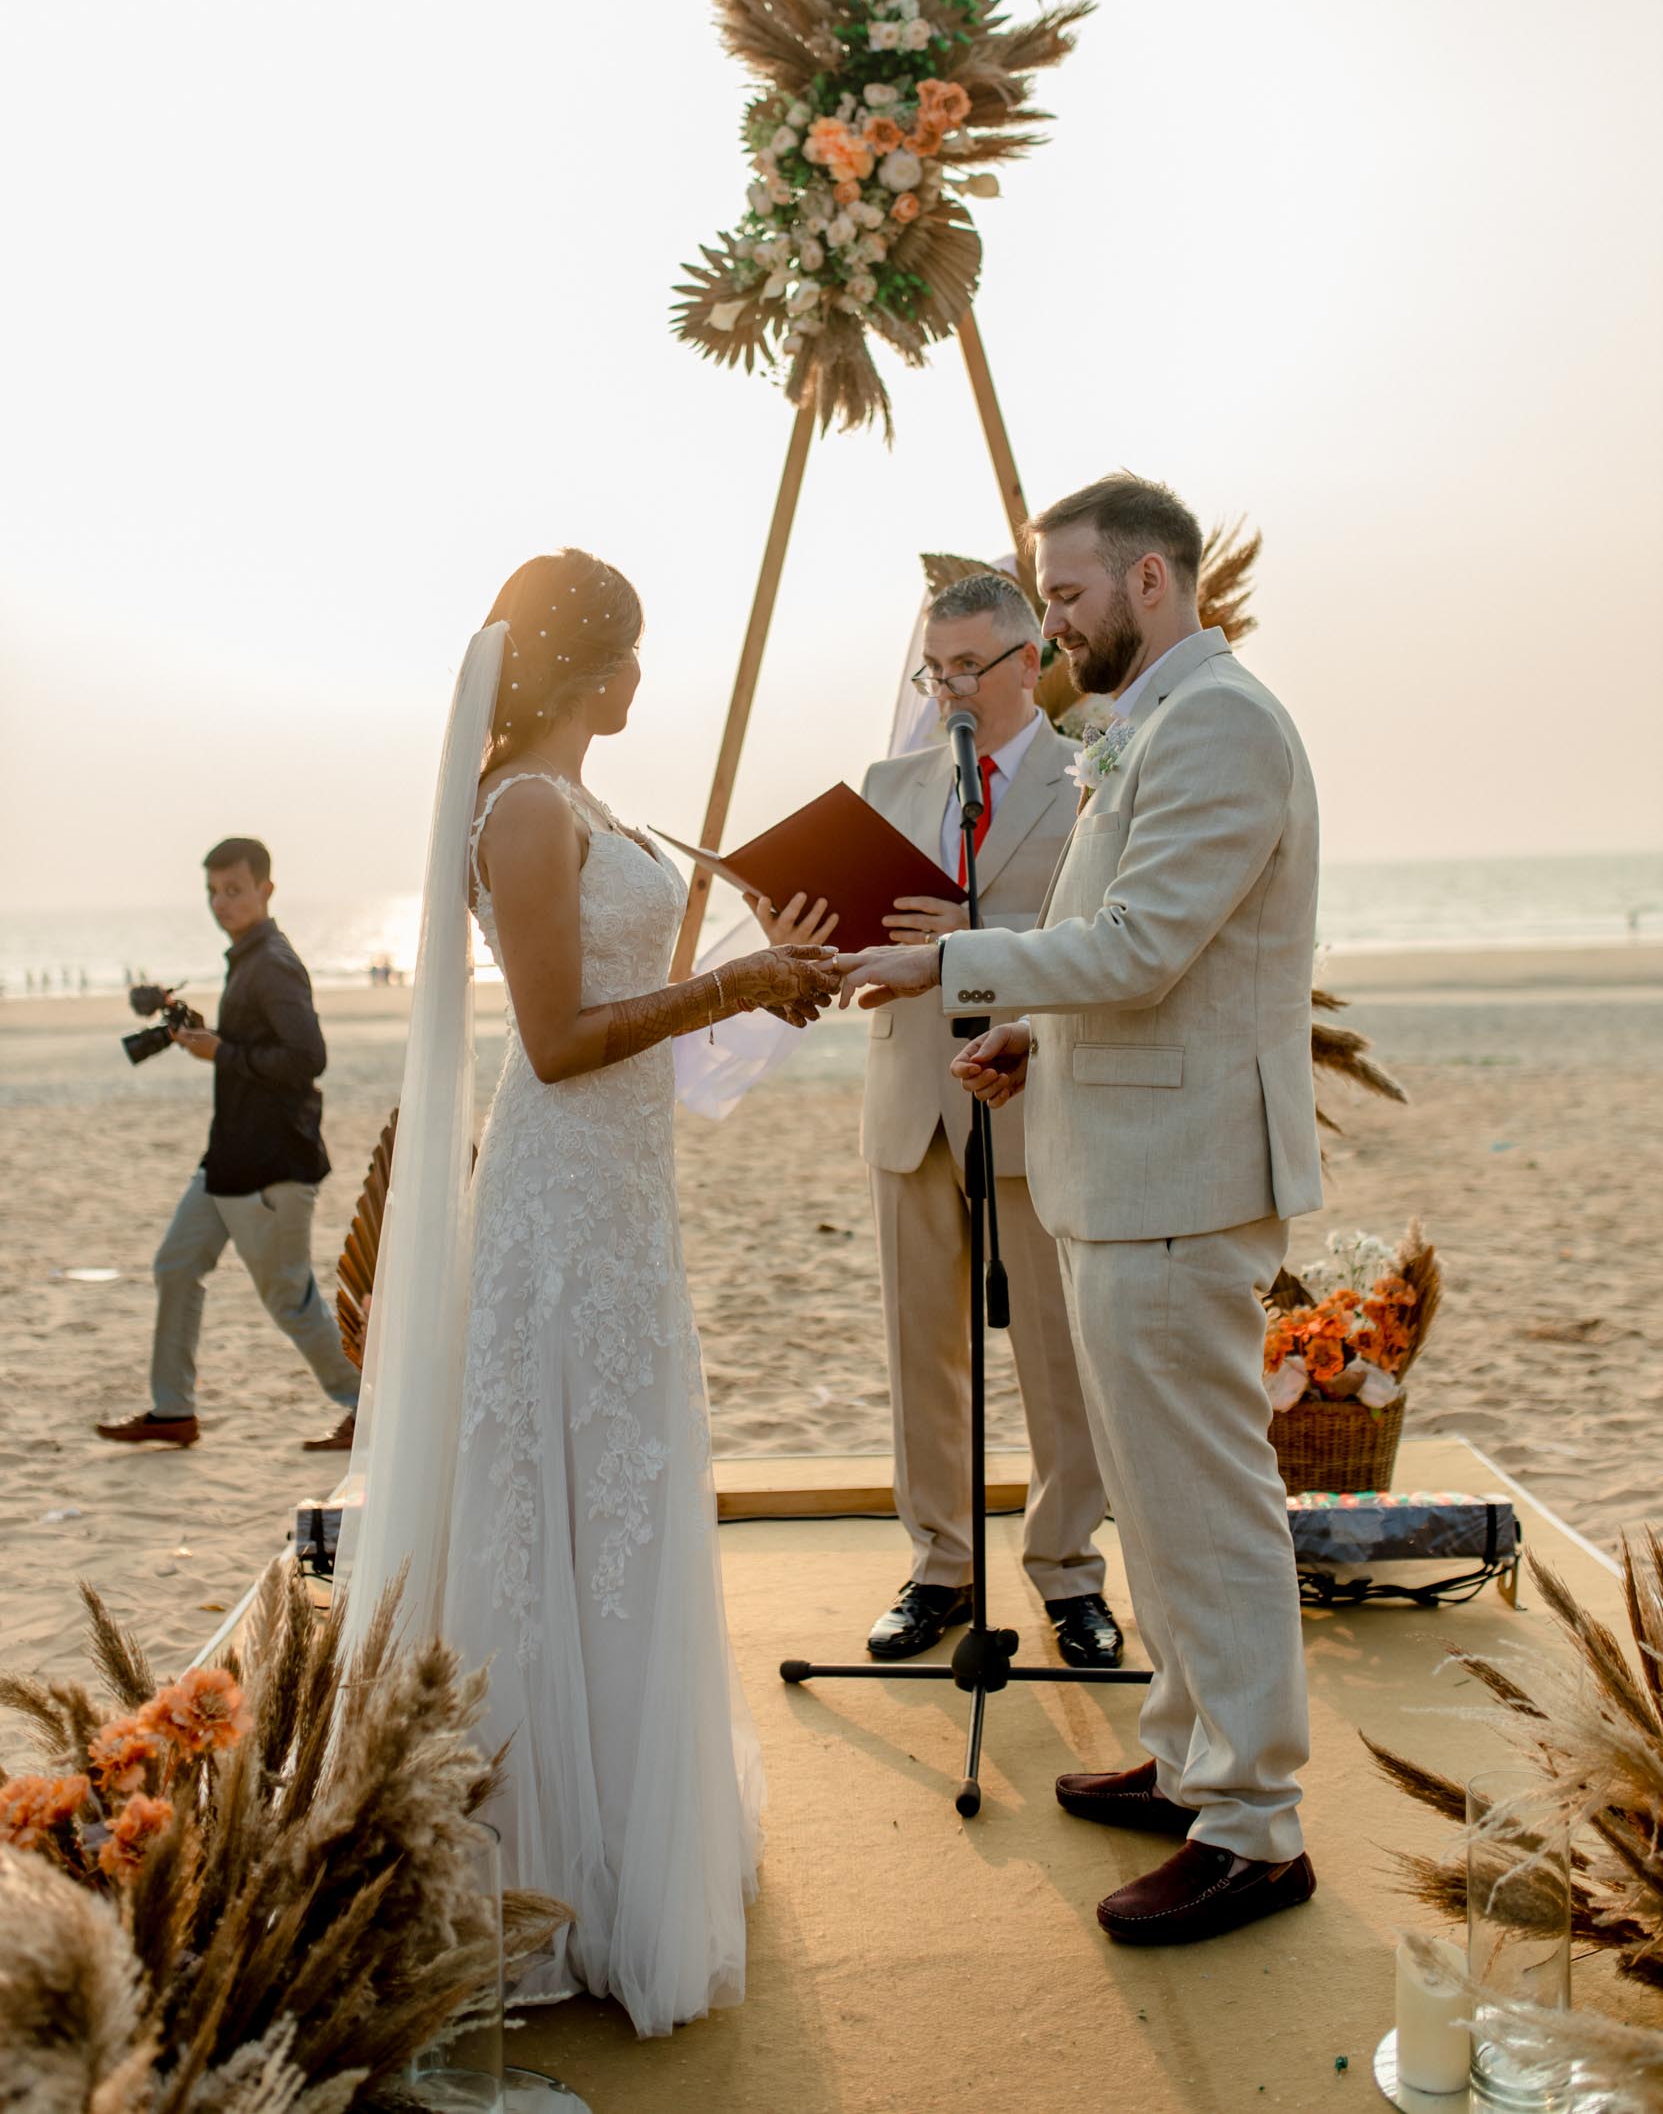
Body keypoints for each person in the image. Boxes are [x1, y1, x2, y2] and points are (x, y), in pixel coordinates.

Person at [337, 551, 840, 2039]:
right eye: (631, 654)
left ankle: (628, 1839)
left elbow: (636, 1001)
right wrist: (740, 985)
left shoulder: (591, 805)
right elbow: (557, 1042)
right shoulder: (524, 810)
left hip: (623, 1201)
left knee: (622, 1496)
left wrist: (769, 972)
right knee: (554, 1504)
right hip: (558, 1206)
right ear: (591, 667)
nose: (640, 679)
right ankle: (543, 1872)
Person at [836, 472, 1322, 1951]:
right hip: (1120, 1167)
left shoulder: (1221, 723)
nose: (1050, 627)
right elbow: (1135, 963)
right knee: (1156, 1498)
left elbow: (1142, 942)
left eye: (1063, 595)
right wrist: (1028, 1039)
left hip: (1179, 1176)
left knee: (1205, 1504)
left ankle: (1253, 1827)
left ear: (1149, 582)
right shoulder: (1155, 722)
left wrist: (952, 968)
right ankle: (1185, 1756)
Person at [849, 571, 1120, 1670]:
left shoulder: (1091, 773)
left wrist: (968, 930)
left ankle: (1067, 1571)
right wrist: (808, 923)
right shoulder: (889, 782)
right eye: (934, 669)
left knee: (1057, 1355)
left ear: (1027, 663)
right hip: (908, 1100)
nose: (949, 689)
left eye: (968, 666)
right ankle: (939, 1566)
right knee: (920, 1351)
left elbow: (1100, 929)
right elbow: (863, 929)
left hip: (1030, 1087)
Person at [96, 839, 360, 1455]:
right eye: (213, 892)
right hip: (228, 1157)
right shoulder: (246, 958)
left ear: (266, 890)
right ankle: (172, 1412)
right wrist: (201, 1033)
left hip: (272, 1164)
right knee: (176, 1266)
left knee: (289, 1297)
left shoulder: (273, 963)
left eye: (234, 890)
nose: (222, 903)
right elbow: (254, 1044)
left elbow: (308, 1057)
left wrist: (224, 1052)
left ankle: (365, 1406)